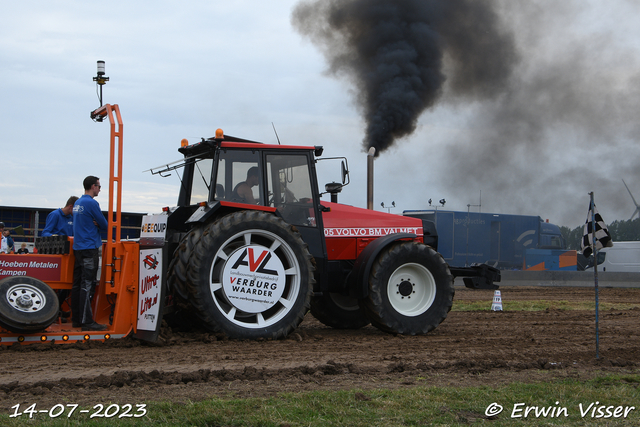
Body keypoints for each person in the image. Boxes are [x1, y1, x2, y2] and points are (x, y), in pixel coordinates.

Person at [71, 176, 108, 331]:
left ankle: (76, 319)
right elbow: (105, 225)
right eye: (99, 186)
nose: (100, 189)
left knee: (77, 284)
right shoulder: (92, 203)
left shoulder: (77, 203)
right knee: (88, 285)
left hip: (78, 247)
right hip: (89, 246)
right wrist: (97, 223)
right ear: (93, 186)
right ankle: (87, 321)